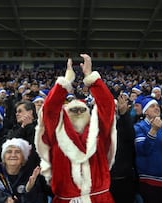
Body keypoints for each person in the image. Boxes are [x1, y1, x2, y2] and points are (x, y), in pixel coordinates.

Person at [35, 54, 117, 203]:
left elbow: (107, 105)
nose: (78, 113)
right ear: (66, 115)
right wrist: (65, 82)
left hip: (99, 199)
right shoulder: (56, 133)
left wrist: (91, 77)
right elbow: (50, 110)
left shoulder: (99, 133)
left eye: (82, 110)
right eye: (74, 110)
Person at [0, 138, 50, 203]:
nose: (13, 155)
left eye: (17, 152)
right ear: (3, 158)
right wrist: (3, 201)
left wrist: (28, 191)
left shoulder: (31, 178)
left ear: (23, 159)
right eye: (9, 151)